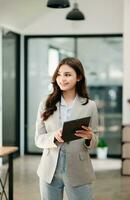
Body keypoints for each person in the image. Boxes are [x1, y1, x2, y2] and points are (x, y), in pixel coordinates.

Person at [35, 57, 99, 200]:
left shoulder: (90, 106)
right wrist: (53, 137)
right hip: (49, 169)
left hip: (79, 168)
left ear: (79, 77)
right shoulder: (46, 103)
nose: (62, 79)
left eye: (68, 75)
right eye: (59, 74)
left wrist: (90, 137)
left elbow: (95, 141)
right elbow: (38, 139)